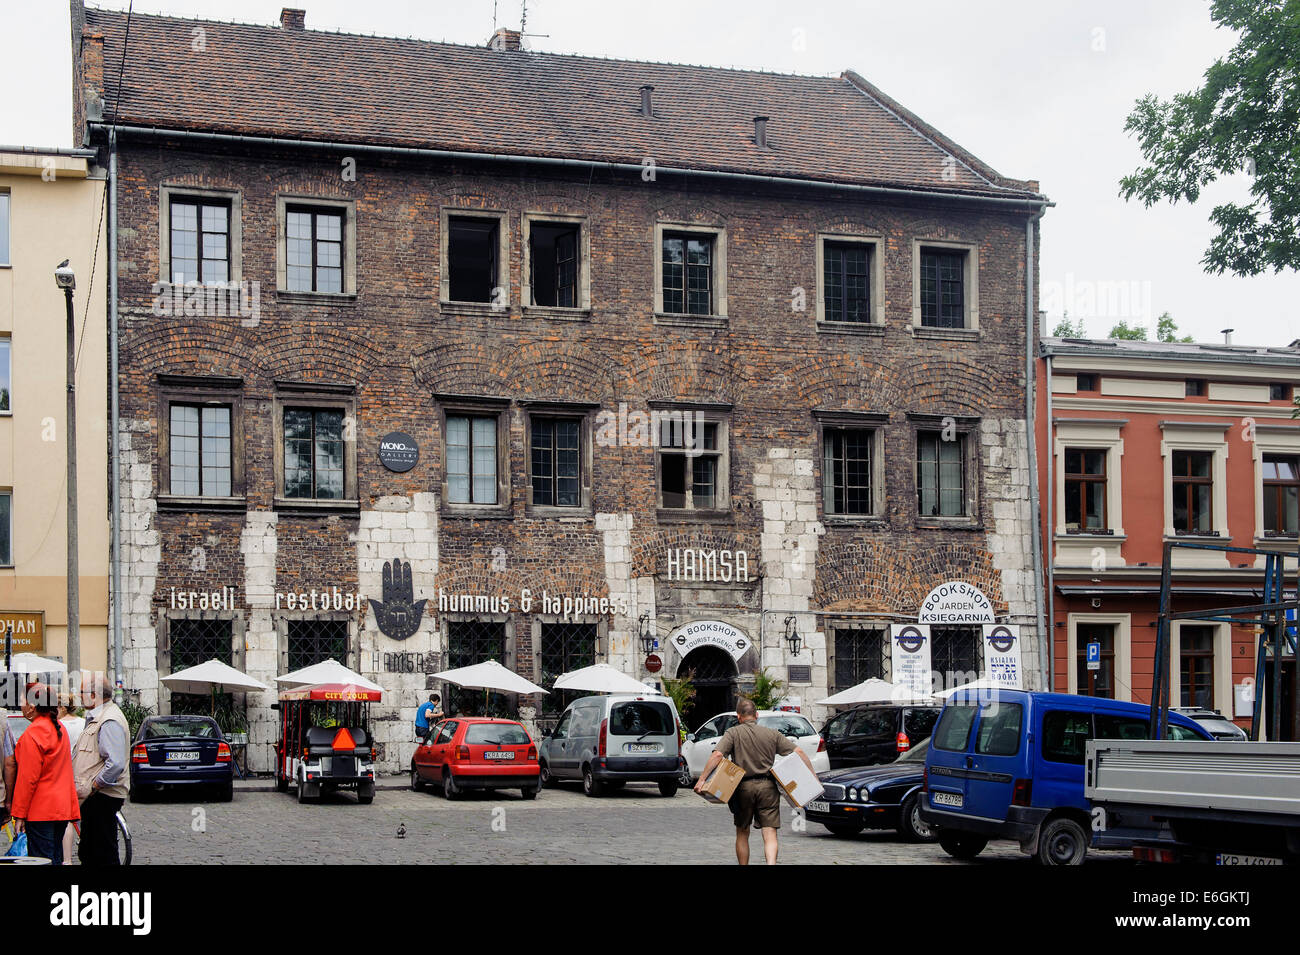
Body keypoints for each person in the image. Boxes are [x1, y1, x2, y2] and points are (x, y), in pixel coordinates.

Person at [694, 698, 817, 865]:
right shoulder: (772, 734)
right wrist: (813, 777)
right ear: (756, 715)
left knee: (742, 832)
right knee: (770, 833)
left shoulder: (733, 733)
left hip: (742, 788)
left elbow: (717, 755)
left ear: (739, 717)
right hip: (768, 788)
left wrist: (702, 780)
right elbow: (799, 752)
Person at [9, 683, 80, 865]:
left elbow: (27, 780)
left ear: (32, 707)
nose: (20, 705)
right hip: (61, 807)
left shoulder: (33, 734)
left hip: (41, 810)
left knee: (43, 860)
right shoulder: (59, 729)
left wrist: (19, 815)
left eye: (22, 701)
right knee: (55, 858)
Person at [72, 674, 129, 865]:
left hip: (102, 796)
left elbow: (116, 763)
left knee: (102, 852)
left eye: (82, 691)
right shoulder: (99, 716)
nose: (79, 695)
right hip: (95, 796)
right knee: (90, 851)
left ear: (94, 695)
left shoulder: (109, 719)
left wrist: (95, 786)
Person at [57, 692, 85, 862]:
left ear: (61, 707)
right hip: (82, 772)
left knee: (66, 818)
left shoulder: (59, 725)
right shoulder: (83, 723)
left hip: (64, 773)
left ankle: (66, 859)